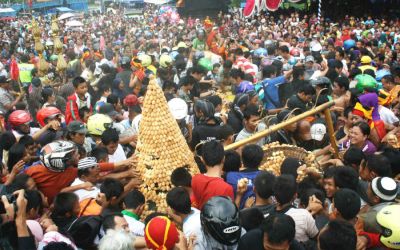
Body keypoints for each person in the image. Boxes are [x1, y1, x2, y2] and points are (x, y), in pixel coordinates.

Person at [267, 175, 319, 243]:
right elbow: (317, 237)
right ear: (295, 195)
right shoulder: (304, 215)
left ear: (275, 196)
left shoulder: (267, 217)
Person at [191, 140, 234, 209]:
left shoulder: (195, 179)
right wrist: (239, 196)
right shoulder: (226, 188)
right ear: (223, 159)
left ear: (202, 160)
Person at [238, 214, 304, 250]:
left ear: (289, 243)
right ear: (263, 234)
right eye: (269, 248)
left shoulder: (297, 248)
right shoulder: (247, 242)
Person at [226, 144, 263, 208]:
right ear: (261, 161)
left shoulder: (231, 177)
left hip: (239, 213)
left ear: (242, 160)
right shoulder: (266, 177)